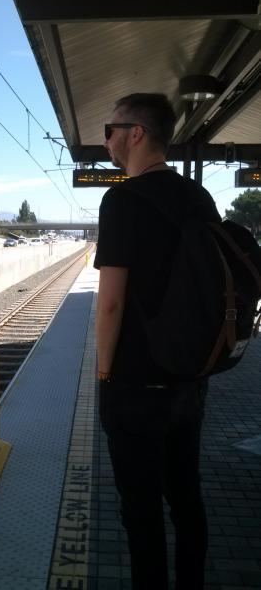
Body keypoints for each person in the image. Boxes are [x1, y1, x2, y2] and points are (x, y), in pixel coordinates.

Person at [94, 93, 221, 590]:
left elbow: (109, 304)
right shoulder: (198, 198)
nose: (106, 139)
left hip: (136, 384)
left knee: (140, 511)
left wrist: (105, 374)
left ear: (136, 134)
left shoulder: (121, 199)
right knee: (187, 499)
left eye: (111, 129)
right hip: (190, 380)